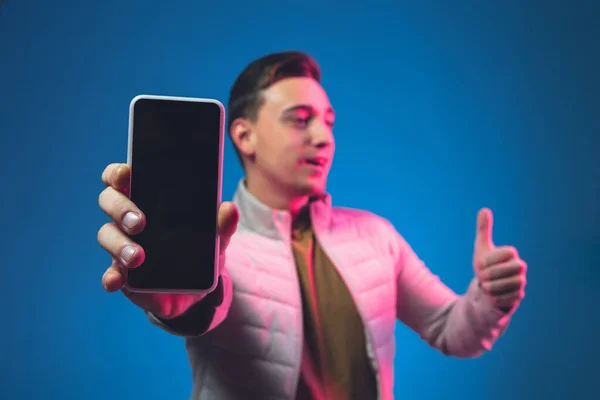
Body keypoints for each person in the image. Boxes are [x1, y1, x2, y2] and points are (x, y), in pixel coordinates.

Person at [97, 51, 527, 400]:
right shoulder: (216, 246)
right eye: (300, 119)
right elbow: (211, 303)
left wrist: (489, 297)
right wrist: (179, 298)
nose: (323, 137)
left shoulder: (377, 236)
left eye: (328, 121)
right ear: (244, 136)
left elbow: (450, 329)